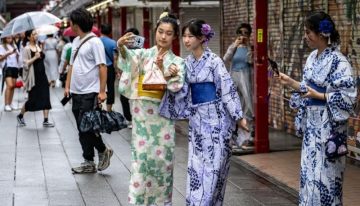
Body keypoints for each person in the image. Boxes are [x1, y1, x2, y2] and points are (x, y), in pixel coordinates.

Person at [159, 19, 248, 206]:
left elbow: (226, 88)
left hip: (217, 121)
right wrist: (170, 74)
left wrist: (238, 116)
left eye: (190, 36)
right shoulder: (186, 63)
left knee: (213, 169)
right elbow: (180, 90)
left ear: (201, 37)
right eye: (184, 36)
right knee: (196, 167)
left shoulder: (214, 61)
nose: (186, 40)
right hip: (197, 121)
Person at [277, 11, 356, 205]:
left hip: (329, 127)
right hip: (312, 126)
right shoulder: (312, 57)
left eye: (308, 32)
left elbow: (348, 96)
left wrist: (319, 95)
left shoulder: (340, 61)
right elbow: (306, 88)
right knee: (309, 175)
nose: (305, 36)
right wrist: (291, 83)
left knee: (327, 179)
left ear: (322, 34)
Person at [117, 12, 185, 206]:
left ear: (174, 37)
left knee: (162, 161)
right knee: (140, 160)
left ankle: (161, 202)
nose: (163, 36)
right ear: (155, 32)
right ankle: (138, 201)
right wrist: (120, 46)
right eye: (160, 31)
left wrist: (166, 74)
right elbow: (128, 61)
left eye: (169, 33)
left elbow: (176, 88)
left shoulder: (178, 62)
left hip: (162, 117)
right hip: (141, 114)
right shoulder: (143, 54)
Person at [64, 8, 112, 174]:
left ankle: (99, 152)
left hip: (90, 92)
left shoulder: (95, 42)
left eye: (71, 22)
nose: (70, 24)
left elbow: (102, 67)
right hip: (76, 92)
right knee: (81, 127)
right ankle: (90, 160)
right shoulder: (76, 41)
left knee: (86, 126)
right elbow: (71, 65)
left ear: (76, 25)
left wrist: (102, 91)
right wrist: (67, 86)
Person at [223, 23, 254, 150]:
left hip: (245, 77)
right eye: (240, 33)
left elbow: (252, 62)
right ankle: (231, 137)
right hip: (234, 76)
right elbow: (226, 58)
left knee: (247, 107)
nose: (243, 35)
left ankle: (245, 137)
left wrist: (249, 49)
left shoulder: (250, 48)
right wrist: (235, 45)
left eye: (246, 33)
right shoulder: (233, 46)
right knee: (232, 105)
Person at [16, 29, 54, 127]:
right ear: (29, 37)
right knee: (32, 99)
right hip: (34, 77)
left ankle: (46, 120)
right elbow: (25, 64)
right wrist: (34, 58)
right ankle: (20, 115)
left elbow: (43, 61)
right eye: (33, 34)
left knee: (46, 96)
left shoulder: (39, 46)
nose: (36, 36)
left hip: (42, 75)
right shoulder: (27, 49)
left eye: (36, 34)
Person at [117, 27, 141, 128]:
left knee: (137, 99)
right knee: (123, 98)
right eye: (127, 37)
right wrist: (119, 72)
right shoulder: (124, 48)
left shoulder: (141, 49)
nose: (130, 39)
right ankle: (129, 118)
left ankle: (137, 119)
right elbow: (121, 59)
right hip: (126, 77)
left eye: (132, 37)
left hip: (138, 77)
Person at [0, 36, 21, 111]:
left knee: (13, 86)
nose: (10, 39)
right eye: (8, 38)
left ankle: (10, 103)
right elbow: (0, 58)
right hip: (7, 67)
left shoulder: (14, 46)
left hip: (15, 67)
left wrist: (17, 54)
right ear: (5, 38)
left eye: (11, 38)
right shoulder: (1, 46)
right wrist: (8, 53)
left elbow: (17, 57)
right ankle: (6, 104)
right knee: (10, 85)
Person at [100, 24, 117, 112]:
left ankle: (99, 107)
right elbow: (115, 58)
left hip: (98, 68)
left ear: (100, 31)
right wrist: (117, 70)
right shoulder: (113, 43)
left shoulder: (96, 41)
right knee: (110, 89)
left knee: (98, 88)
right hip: (109, 68)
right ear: (110, 32)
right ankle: (109, 110)